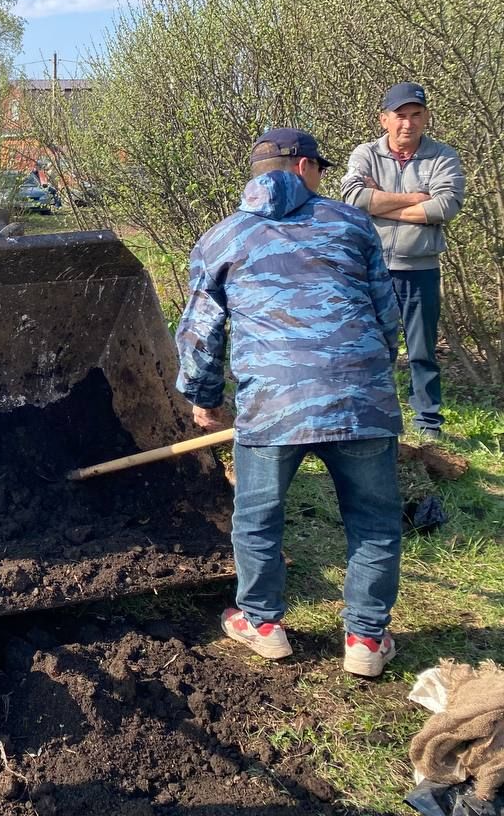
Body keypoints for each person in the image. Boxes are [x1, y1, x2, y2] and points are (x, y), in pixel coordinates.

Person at [176, 128, 404, 678]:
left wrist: (204, 400)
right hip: (360, 399)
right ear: (304, 166)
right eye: (320, 169)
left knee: (257, 518)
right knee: (373, 520)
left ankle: (262, 623)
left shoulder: (222, 238)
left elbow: (200, 334)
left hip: (273, 406)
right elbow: (386, 313)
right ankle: (367, 641)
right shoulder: (353, 225)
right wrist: (368, 372)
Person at [341, 82, 466, 439]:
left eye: (416, 115)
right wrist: (416, 200)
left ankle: (427, 422)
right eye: (400, 116)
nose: (407, 124)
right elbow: (353, 199)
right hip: (371, 269)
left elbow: (446, 206)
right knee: (371, 346)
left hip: (420, 268)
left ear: (425, 118)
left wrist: (383, 204)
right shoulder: (365, 153)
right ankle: (372, 418)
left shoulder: (443, 156)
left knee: (422, 351)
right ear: (384, 119)